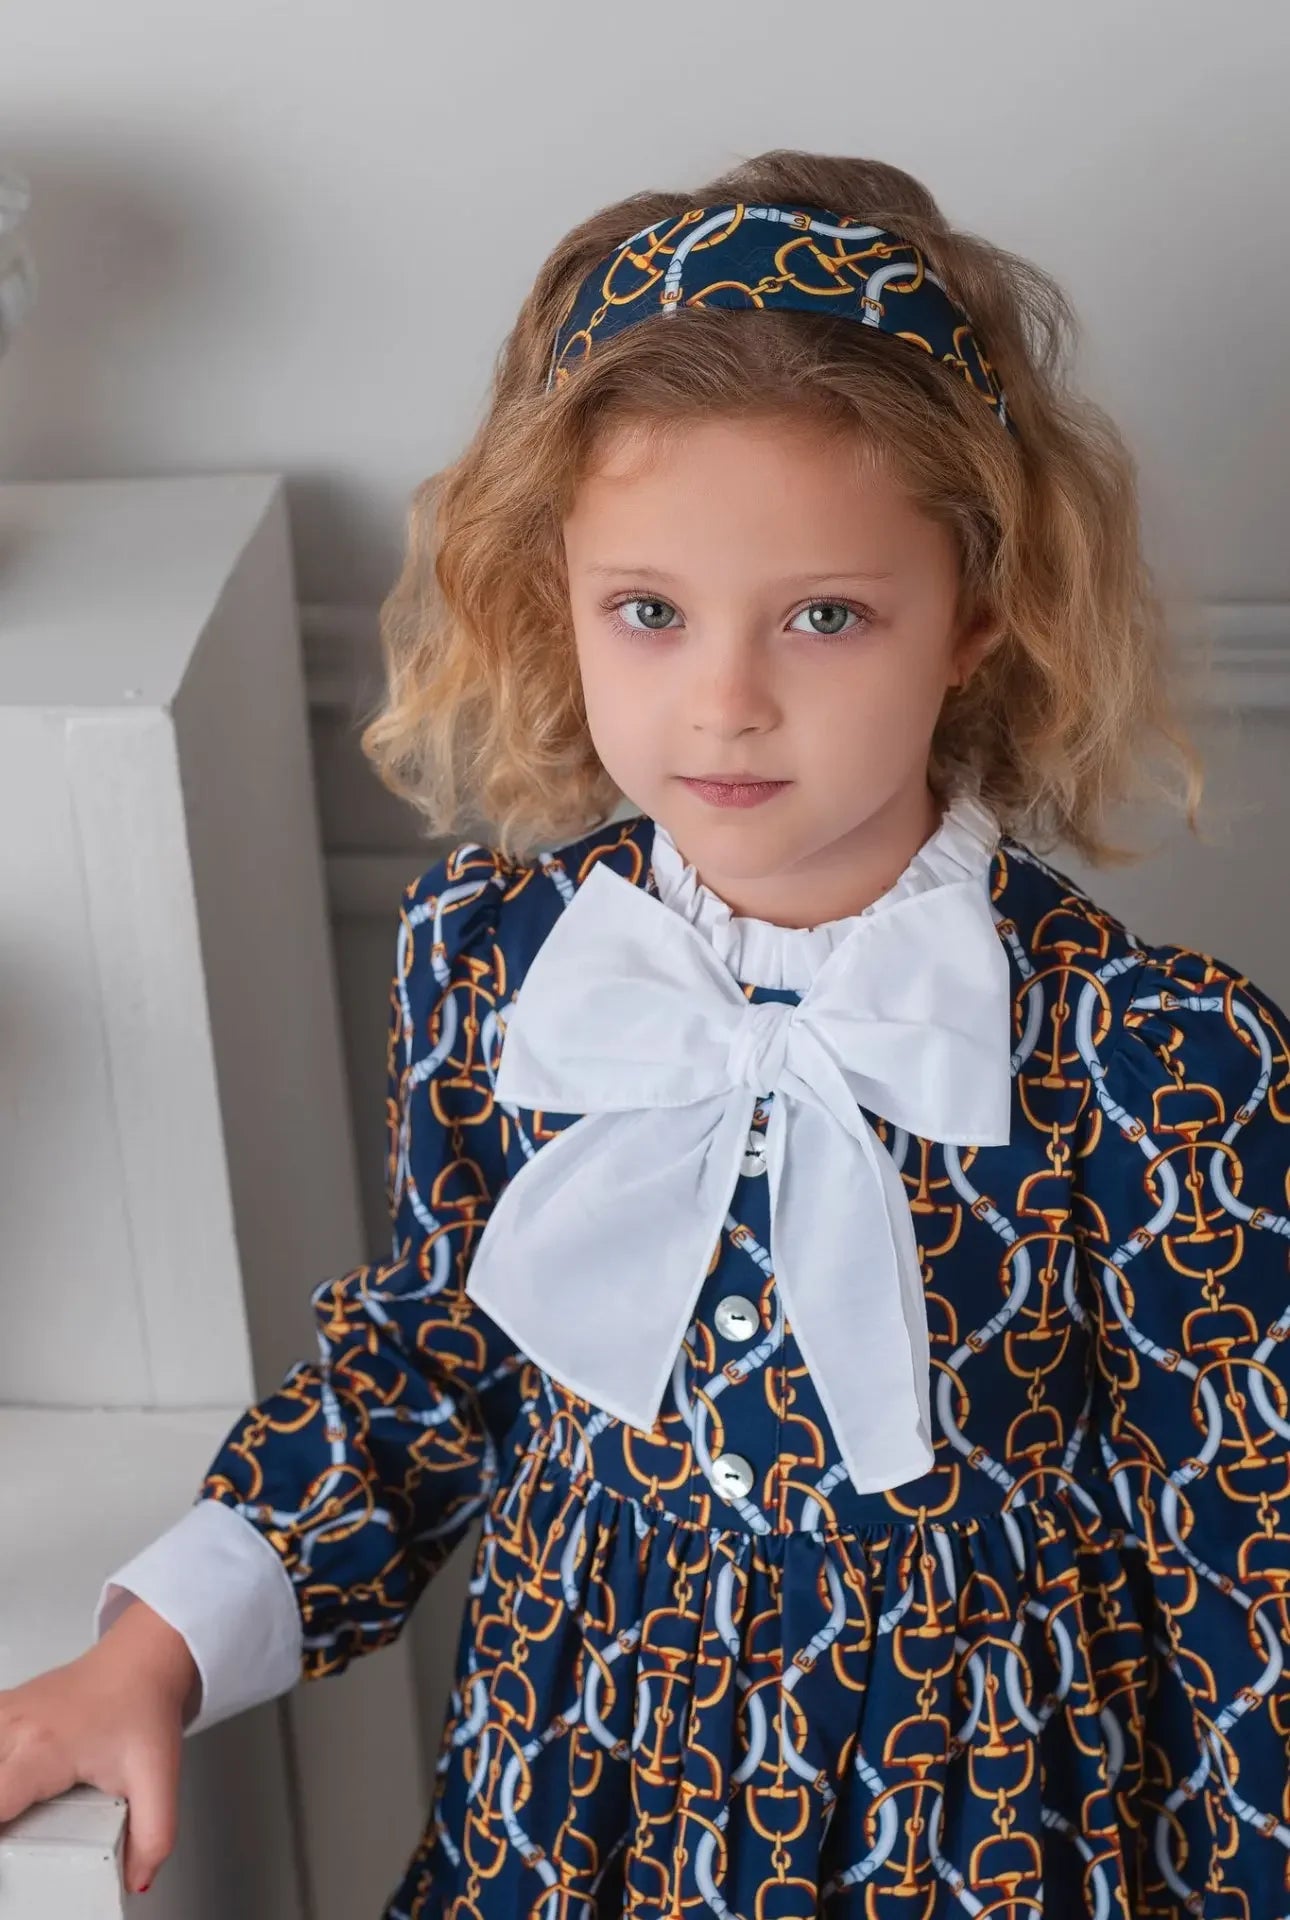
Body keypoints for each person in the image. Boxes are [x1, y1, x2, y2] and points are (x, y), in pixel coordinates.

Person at [2, 147, 1287, 1920]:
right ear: (557, 597)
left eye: (823, 616)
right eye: (650, 612)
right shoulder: (497, 959)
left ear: (974, 617)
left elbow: (1251, 1575)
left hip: (978, 1834)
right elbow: (433, 1376)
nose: (725, 699)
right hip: (574, 1800)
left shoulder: (1153, 1062)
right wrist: (152, 1648)